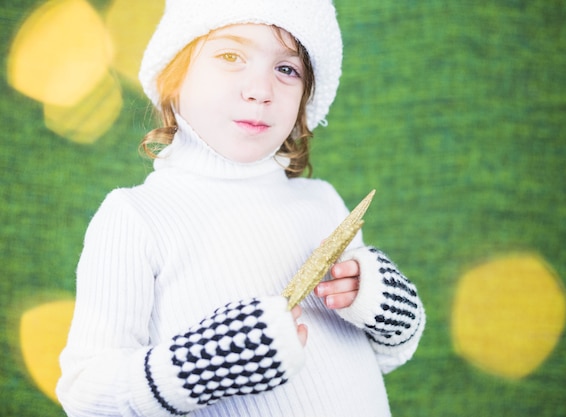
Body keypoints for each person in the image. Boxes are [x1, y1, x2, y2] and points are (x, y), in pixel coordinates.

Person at [56, 0, 426, 416]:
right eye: (231, 56)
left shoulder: (321, 201)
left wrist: (389, 311)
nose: (260, 90)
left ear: (305, 100)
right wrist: (207, 364)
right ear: (174, 76)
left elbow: (381, 359)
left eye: (287, 69)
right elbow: (85, 394)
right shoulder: (136, 217)